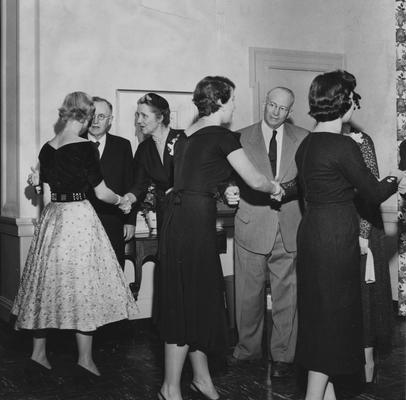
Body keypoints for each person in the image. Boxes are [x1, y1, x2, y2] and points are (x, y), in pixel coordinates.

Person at [155, 76, 283, 400]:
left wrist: (223, 190)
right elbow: (254, 179)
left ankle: (202, 378)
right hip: (195, 222)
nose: (235, 107)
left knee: (191, 299)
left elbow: (196, 178)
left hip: (177, 219)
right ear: (222, 102)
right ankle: (169, 389)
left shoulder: (185, 136)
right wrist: (276, 186)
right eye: (233, 101)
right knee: (190, 302)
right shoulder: (223, 136)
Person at [11, 92, 138, 377]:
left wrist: (47, 224)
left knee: (44, 286)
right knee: (85, 287)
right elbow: (101, 192)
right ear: (85, 116)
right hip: (78, 217)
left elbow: (44, 195)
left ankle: (38, 354)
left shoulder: (48, 146)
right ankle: (85, 360)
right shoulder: (84, 147)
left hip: (53, 217)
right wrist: (122, 201)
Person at [295, 70, 401, 400]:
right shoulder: (343, 145)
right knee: (335, 325)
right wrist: (395, 180)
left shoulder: (306, 144)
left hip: (312, 234)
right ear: (345, 104)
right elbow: (372, 193)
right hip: (336, 237)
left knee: (321, 319)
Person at [231, 86, 308, 378]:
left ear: (291, 111)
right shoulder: (238, 137)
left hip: (289, 226)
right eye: (272, 105)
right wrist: (226, 190)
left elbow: (307, 181)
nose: (276, 112)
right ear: (265, 103)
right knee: (247, 296)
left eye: (283, 108)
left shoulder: (303, 138)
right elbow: (225, 179)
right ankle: (247, 350)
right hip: (252, 225)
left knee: (286, 296)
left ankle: (283, 356)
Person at [343, 124, 394, 384]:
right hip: (336, 225)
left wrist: (363, 233)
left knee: (365, 295)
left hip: (363, 225)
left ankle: (367, 359)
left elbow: (371, 191)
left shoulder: (362, 140)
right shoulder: (322, 139)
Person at [83, 96, 136, 268]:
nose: (95, 121)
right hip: (82, 223)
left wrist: (130, 220)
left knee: (114, 272)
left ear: (110, 120)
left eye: (101, 116)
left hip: (113, 221)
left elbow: (130, 183)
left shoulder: (123, 146)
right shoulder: (75, 143)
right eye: (92, 115)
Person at [125, 93, 184, 232]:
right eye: (137, 115)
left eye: (144, 116)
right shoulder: (144, 149)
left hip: (190, 212)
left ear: (160, 117)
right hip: (165, 213)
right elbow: (139, 186)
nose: (139, 121)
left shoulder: (184, 139)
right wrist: (127, 199)